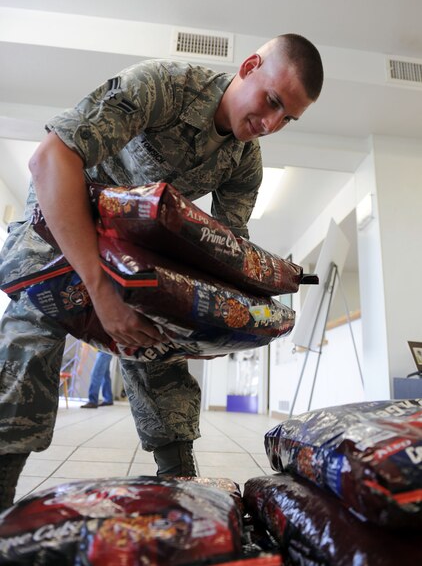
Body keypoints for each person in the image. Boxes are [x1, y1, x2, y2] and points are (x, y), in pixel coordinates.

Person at [0, 33, 323, 510]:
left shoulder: (244, 162)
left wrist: (216, 329)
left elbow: (222, 256)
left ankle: (184, 497)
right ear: (251, 66)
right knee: (30, 340)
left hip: (135, 254)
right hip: (60, 232)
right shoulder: (164, 88)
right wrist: (100, 291)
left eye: (287, 118)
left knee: (158, 351)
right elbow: (50, 160)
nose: (271, 123)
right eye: (271, 101)